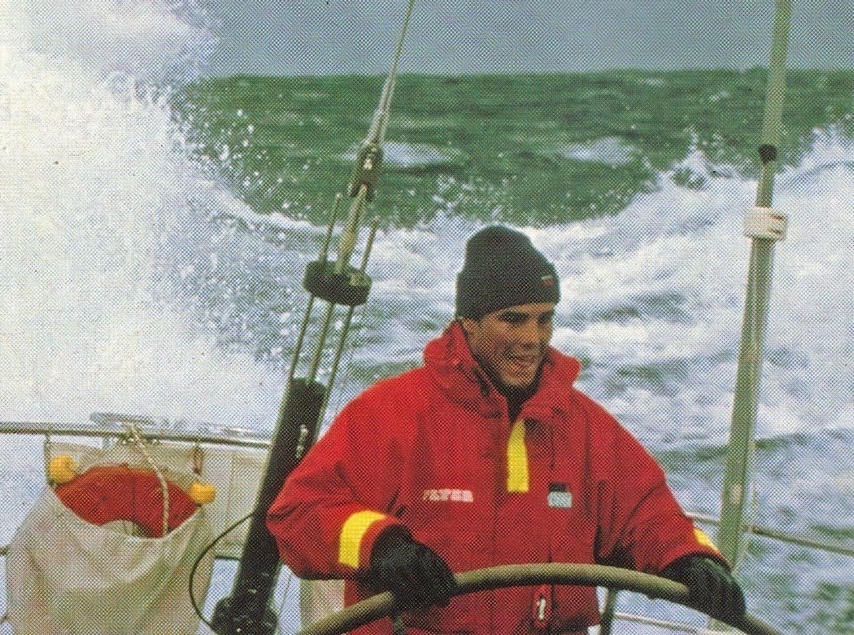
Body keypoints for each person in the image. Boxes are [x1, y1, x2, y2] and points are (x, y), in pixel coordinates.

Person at [267, 225, 746, 634]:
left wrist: (691, 558)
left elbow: (649, 517)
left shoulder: (584, 428)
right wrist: (381, 546)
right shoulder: (392, 414)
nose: (532, 340)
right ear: (468, 323)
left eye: (544, 320)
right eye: (512, 320)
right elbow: (298, 514)